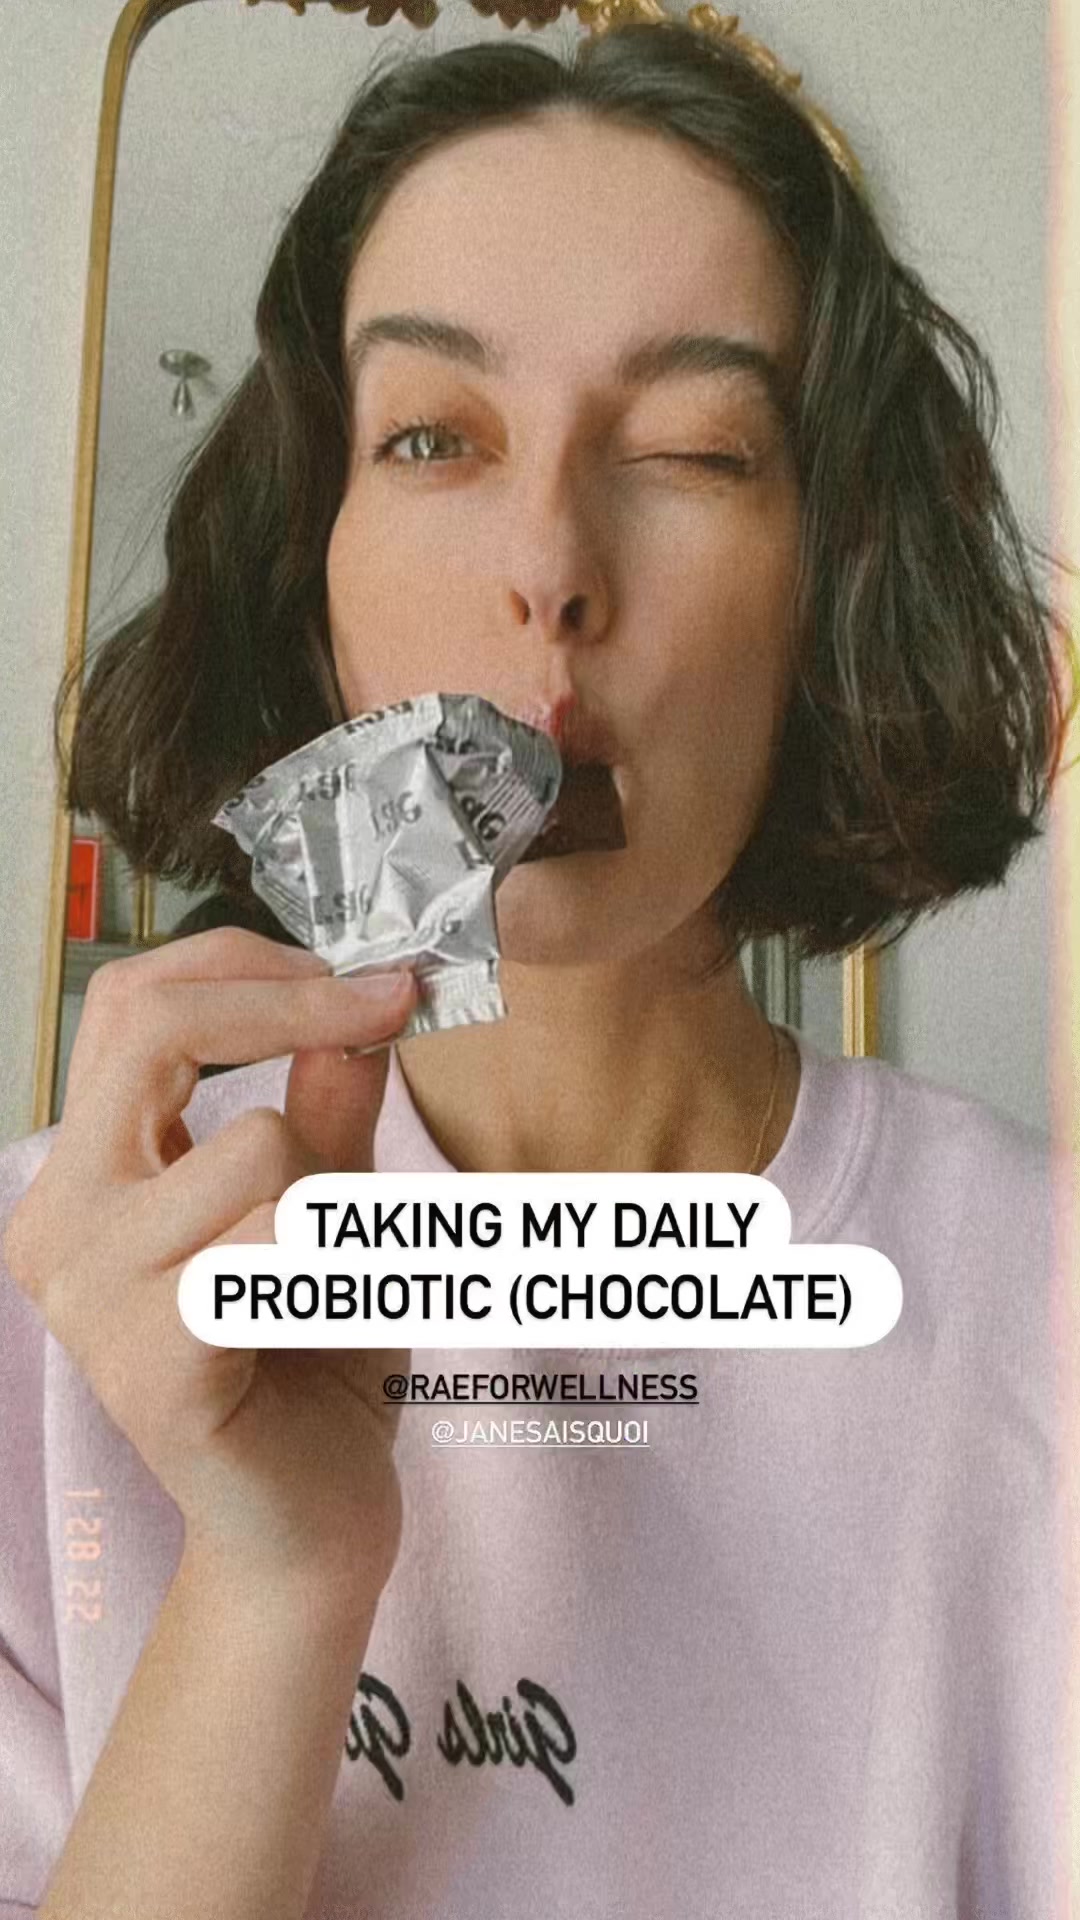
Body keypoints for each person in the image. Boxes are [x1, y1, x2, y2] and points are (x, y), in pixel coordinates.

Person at [1, 21, 1075, 1920]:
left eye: (694, 450)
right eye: (434, 438)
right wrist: (272, 1578)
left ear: (830, 587)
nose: (551, 566)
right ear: (311, 571)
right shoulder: (45, 1316)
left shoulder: (1043, 1306)